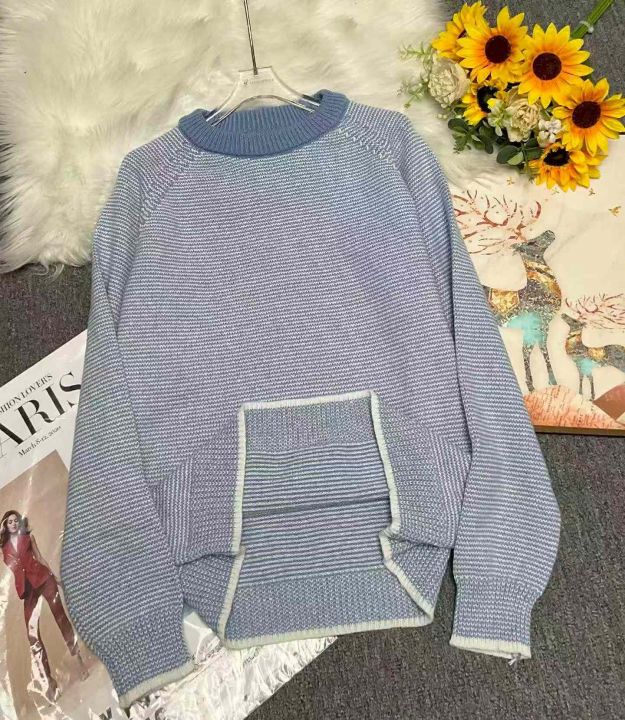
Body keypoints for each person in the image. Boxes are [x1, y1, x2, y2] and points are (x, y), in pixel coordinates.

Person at [1, 510, 88, 702]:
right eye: (9, 522)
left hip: (43, 579)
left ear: (19, 523)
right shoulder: (4, 550)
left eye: (15, 521)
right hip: (28, 591)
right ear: (5, 526)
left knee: (61, 618)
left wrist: (55, 578)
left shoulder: (28, 538)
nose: (13, 524)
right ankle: (49, 683)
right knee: (33, 637)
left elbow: (39, 558)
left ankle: (79, 662)